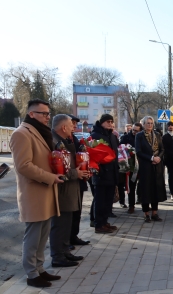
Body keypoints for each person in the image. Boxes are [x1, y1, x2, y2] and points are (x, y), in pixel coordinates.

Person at [10, 99, 65, 287]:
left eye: (48, 114)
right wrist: (50, 177)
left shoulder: (40, 132)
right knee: (33, 236)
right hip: (34, 192)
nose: (47, 117)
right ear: (31, 114)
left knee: (43, 235)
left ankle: (40, 268)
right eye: (43, 114)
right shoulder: (21, 134)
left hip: (46, 191)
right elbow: (23, 166)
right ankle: (32, 274)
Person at [50, 114, 87, 267]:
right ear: (64, 127)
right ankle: (58, 256)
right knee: (60, 224)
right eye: (71, 126)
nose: (74, 128)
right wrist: (75, 173)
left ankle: (65, 252)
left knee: (67, 223)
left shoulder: (65, 140)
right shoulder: (53, 142)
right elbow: (56, 168)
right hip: (62, 189)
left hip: (70, 188)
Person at [90, 114, 119, 233]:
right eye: (108, 121)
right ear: (101, 122)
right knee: (100, 201)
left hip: (112, 173)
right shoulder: (95, 136)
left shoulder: (112, 136)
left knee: (108, 201)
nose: (110, 124)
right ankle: (98, 224)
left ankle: (105, 222)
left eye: (112, 122)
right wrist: (99, 171)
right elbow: (92, 156)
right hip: (101, 175)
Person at [135, 116, 166, 222]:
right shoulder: (139, 136)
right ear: (143, 124)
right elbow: (138, 152)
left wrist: (158, 158)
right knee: (146, 190)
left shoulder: (157, 135)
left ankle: (155, 213)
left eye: (151, 123)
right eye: (147, 123)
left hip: (157, 166)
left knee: (156, 190)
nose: (149, 125)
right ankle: (146, 214)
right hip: (145, 167)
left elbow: (162, 149)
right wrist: (151, 158)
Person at [67, 115, 90, 247]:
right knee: (68, 214)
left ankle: (74, 236)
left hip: (79, 179)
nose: (75, 126)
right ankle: (67, 239)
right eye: (73, 123)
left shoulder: (75, 139)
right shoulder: (61, 140)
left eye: (76, 124)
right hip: (70, 180)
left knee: (77, 211)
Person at [120, 122, 142, 213]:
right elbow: (120, 149)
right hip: (131, 167)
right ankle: (131, 205)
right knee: (131, 187)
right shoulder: (125, 137)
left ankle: (143, 202)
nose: (134, 132)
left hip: (141, 165)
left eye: (137, 131)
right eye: (133, 130)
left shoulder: (142, 137)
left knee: (142, 186)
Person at [162, 121, 173, 200]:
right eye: (169, 126)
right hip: (169, 159)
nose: (170, 127)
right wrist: (171, 154)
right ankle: (172, 193)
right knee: (171, 175)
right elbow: (164, 148)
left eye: (172, 125)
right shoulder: (165, 137)